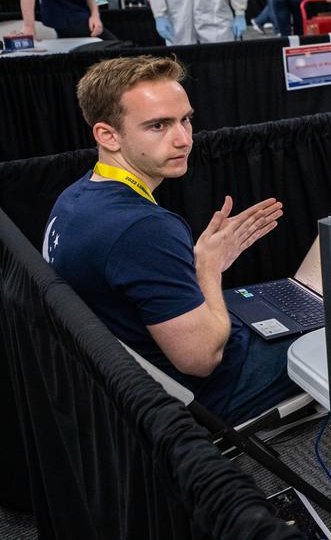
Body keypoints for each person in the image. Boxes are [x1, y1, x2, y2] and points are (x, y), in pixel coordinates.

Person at [43, 56, 292, 425]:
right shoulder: (143, 228)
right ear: (107, 135)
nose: (184, 139)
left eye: (186, 120)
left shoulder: (74, 198)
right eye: (158, 125)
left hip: (125, 388)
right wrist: (207, 266)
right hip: (205, 396)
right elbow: (202, 360)